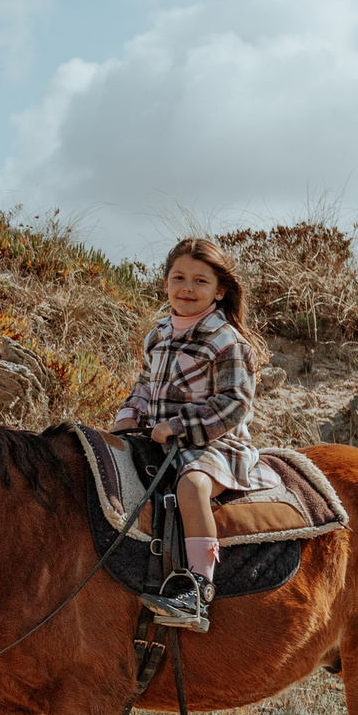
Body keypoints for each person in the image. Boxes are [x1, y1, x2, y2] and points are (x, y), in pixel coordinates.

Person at [109, 236, 278, 633]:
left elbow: (235, 404)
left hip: (215, 442)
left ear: (220, 290)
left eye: (200, 281)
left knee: (191, 487)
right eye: (178, 277)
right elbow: (145, 386)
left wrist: (182, 428)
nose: (187, 288)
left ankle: (198, 590)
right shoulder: (159, 335)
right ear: (166, 282)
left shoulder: (228, 341)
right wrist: (127, 417)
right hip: (160, 437)